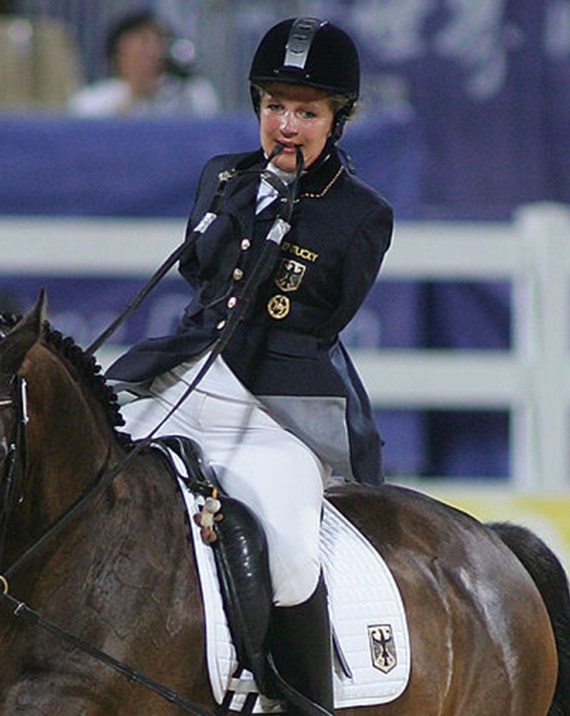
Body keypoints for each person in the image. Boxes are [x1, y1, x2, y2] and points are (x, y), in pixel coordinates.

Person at [106, 17, 393, 714]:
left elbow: (322, 320)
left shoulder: (360, 214)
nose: (286, 125)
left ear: (337, 120)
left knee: (293, 553)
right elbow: (201, 274)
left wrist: (282, 221)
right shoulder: (224, 177)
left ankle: (303, 702)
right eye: (274, 107)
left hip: (277, 406)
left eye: (307, 112)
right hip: (182, 374)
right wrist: (246, 210)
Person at [68, 8, 218, 118]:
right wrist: (135, 96)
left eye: (159, 41)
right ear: (119, 50)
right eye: (143, 42)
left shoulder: (191, 93)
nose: (153, 50)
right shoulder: (92, 101)